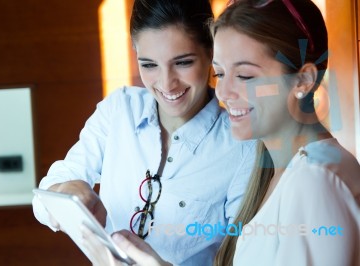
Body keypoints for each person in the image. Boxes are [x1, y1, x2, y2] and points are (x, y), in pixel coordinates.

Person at [80, 0, 360, 265]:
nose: (224, 92)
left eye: (245, 76)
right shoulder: (275, 173)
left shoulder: (314, 181)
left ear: (303, 79)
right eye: (221, 74)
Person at [32, 0, 257, 265]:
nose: (166, 83)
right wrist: (67, 192)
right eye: (149, 65)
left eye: (183, 62)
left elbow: (245, 257)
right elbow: (44, 198)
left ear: (211, 52)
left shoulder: (243, 147)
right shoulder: (119, 110)